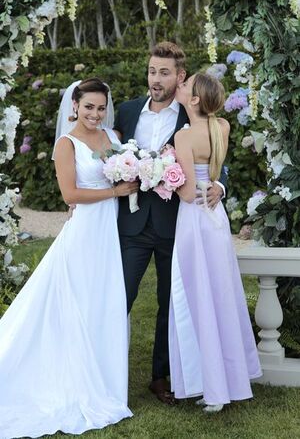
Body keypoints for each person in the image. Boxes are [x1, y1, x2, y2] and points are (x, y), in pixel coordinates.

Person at [0, 78, 138, 437]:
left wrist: (136, 178)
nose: (95, 114)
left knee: (103, 302)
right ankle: (73, 378)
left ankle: (103, 377)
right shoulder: (66, 143)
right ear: (75, 105)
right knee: (77, 302)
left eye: (101, 107)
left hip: (110, 231)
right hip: (84, 233)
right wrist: (116, 190)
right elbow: (70, 193)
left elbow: (128, 171)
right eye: (88, 106)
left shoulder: (113, 139)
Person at [114, 42, 228, 404]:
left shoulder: (191, 116)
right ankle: (106, 369)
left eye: (164, 73)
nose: (155, 79)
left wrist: (221, 186)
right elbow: (107, 153)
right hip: (132, 223)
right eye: (151, 71)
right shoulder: (127, 111)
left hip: (177, 224)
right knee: (119, 296)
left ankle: (161, 376)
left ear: (180, 78)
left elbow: (218, 158)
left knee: (170, 300)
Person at [168, 72, 262, 413]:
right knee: (221, 293)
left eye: (185, 85)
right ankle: (232, 378)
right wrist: (218, 187)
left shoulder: (184, 136)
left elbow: (190, 191)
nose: (180, 86)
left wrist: (163, 175)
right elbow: (213, 175)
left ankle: (211, 385)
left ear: (194, 99)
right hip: (216, 220)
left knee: (199, 295)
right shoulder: (221, 127)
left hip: (194, 220)